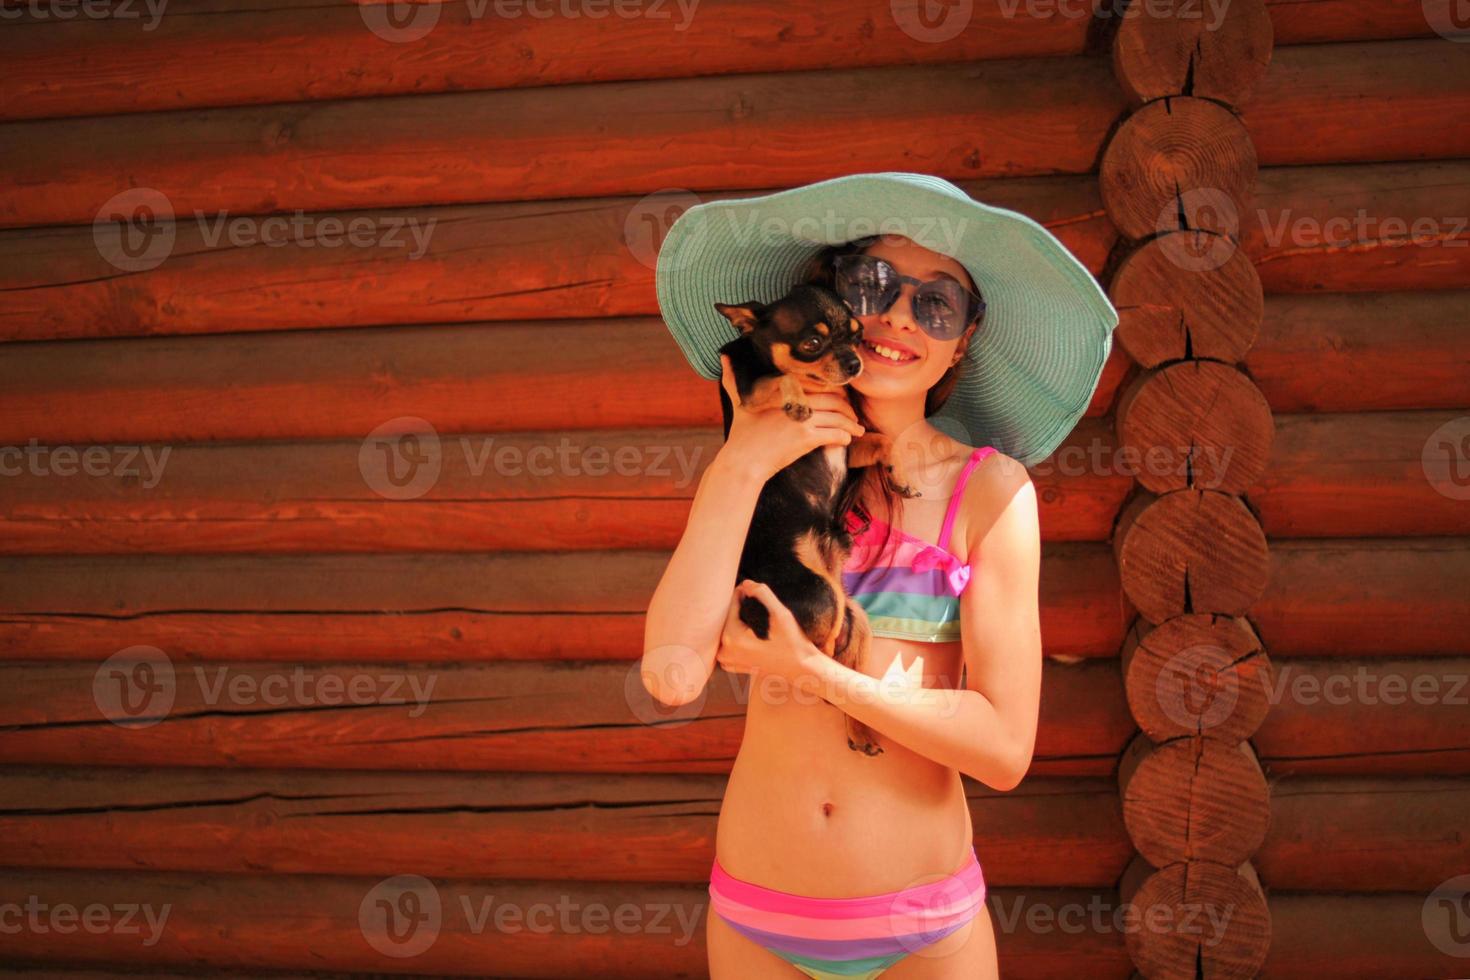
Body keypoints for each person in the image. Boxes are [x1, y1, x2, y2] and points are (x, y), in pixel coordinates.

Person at [642, 173, 1117, 979]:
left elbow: (1004, 750)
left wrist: (818, 674)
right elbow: (670, 673)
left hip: (923, 932)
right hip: (760, 915)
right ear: (829, 303)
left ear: (963, 340)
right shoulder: (762, 474)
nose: (899, 315)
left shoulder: (991, 494)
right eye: (874, 285)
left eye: (938, 305)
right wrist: (742, 461)